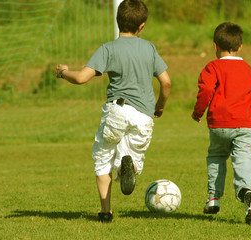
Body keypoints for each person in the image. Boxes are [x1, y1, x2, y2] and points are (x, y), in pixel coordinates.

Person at [56, 0, 171, 223]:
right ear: (142, 26)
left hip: (117, 111)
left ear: (118, 21)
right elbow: (166, 83)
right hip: (143, 115)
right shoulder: (149, 48)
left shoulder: (108, 49)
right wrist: (160, 106)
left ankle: (105, 211)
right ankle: (127, 167)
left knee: (102, 156)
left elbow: (81, 78)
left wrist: (63, 72)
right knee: (133, 158)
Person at [191, 22, 251, 224]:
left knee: (217, 156)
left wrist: (198, 112)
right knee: (244, 159)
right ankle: (248, 193)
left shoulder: (212, 67)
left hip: (219, 124)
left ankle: (213, 198)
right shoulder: (248, 69)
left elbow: (205, 91)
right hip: (245, 124)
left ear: (215, 46)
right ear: (240, 46)